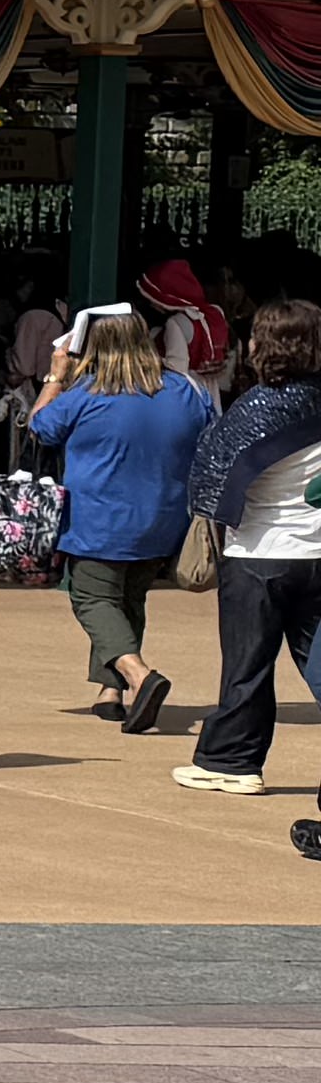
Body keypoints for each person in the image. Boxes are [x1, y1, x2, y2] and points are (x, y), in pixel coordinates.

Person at [27, 302, 216, 736]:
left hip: (99, 520)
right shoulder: (185, 390)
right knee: (129, 599)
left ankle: (138, 675)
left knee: (92, 598)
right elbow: (209, 434)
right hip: (163, 518)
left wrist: (55, 376)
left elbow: (39, 427)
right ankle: (110, 691)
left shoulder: (88, 393)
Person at [177, 301, 321, 796]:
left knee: (247, 666)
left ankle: (231, 761)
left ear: (262, 347)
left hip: (259, 553)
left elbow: (209, 481)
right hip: (317, 553)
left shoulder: (255, 408)